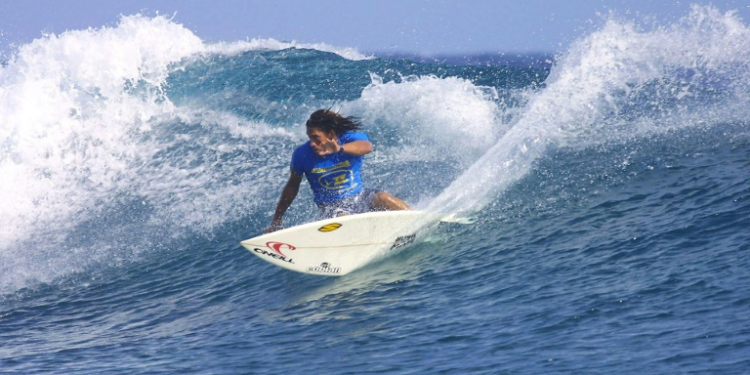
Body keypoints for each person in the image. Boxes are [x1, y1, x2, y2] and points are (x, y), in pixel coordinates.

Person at [265, 109, 410, 232]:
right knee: (344, 218)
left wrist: (339, 149)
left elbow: (366, 147)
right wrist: (277, 219)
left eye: (316, 138)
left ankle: (415, 221)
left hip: (359, 197)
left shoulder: (350, 139)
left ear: (331, 135)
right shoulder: (301, 154)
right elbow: (292, 187)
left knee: (383, 197)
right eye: (310, 138)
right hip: (331, 207)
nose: (313, 143)